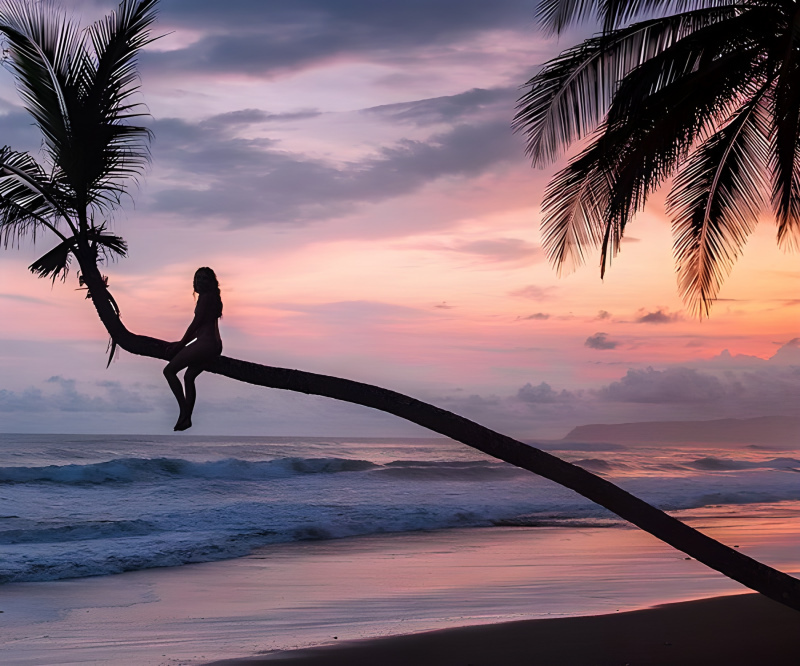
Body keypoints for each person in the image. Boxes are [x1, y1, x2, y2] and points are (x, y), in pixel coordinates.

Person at [163, 267, 223, 431]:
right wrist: (182, 343)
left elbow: (196, 325)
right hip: (213, 344)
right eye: (198, 278)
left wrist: (181, 345)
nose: (201, 281)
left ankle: (184, 412)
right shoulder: (212, 298)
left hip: (206, 344)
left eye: (205, 278)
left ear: (211, 282)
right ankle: (186, 418)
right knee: (189, 377)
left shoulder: (206, 298)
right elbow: (199, 329)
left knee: (169, 371)